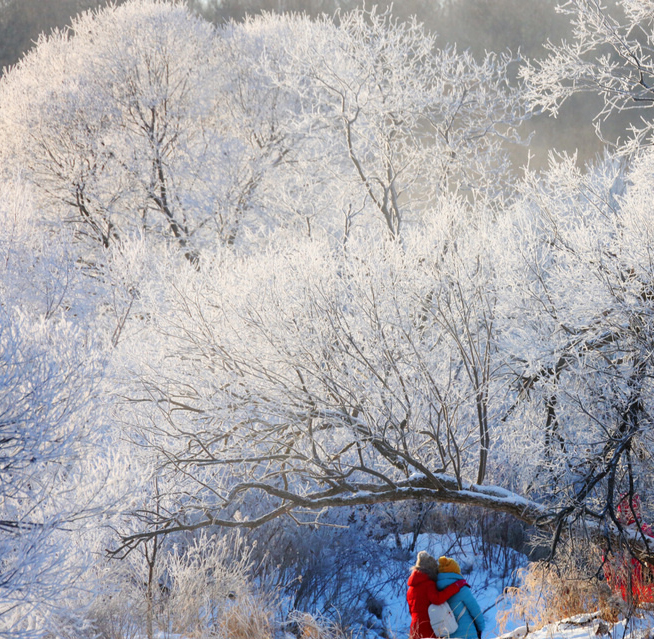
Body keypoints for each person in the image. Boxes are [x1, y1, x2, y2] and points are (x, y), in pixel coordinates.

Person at [407, 551, 467, 639]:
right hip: (427, 628)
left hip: (414, 629)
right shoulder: (429, 584)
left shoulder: (410, 589)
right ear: (431, 570)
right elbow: (437, 599)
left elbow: (411, 611)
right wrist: (455, 586)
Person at [435, 556, 486, 639]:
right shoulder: (461, 588)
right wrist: (481, 628)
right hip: (467, 634)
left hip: (446, 635)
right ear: (455, 571)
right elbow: (475, 611)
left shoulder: (435, 590)